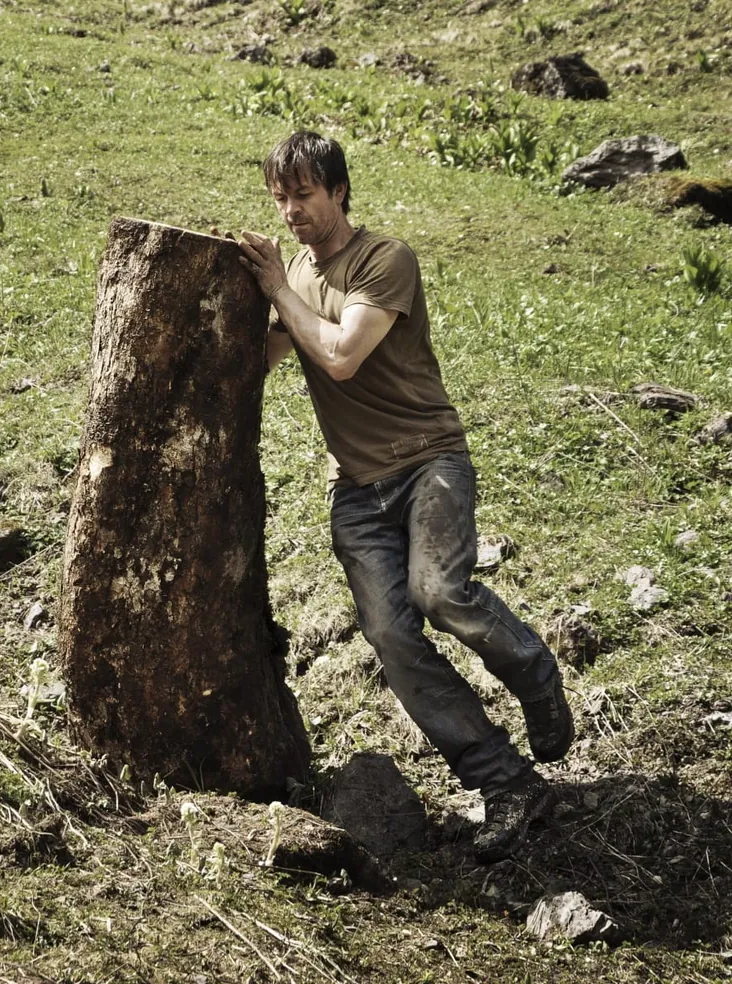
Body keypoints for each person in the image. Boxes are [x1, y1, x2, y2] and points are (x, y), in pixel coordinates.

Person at [237, 130, 574, 862]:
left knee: (439, 592)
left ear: (338, 191)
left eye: (303, 194)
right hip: (356, 492)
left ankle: (534, 671)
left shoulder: (384, 259)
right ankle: (506, 782)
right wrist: (235, 309)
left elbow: (340, 354)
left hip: (428, 464)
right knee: (392, 639)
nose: (291, 210)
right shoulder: (295, 274)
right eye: (280, 197)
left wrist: (277, 293)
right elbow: (265, 358)